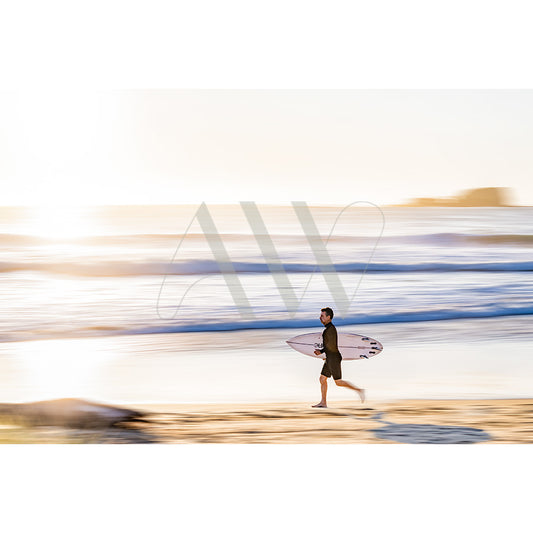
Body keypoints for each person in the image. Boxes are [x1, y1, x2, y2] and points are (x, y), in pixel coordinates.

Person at [311, 307, 365, 408]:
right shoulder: (328, 329)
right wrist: (325, 355)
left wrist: (321, 352)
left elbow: (330, 346)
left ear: (328, 317)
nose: (320, 317)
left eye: (322, 316)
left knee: (338, 382)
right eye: (320, 316)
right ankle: (323, 402)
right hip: (330, 357)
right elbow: (330, 347)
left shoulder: (330, 330)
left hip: (334, 358)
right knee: (322, 379)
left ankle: (359, 390)